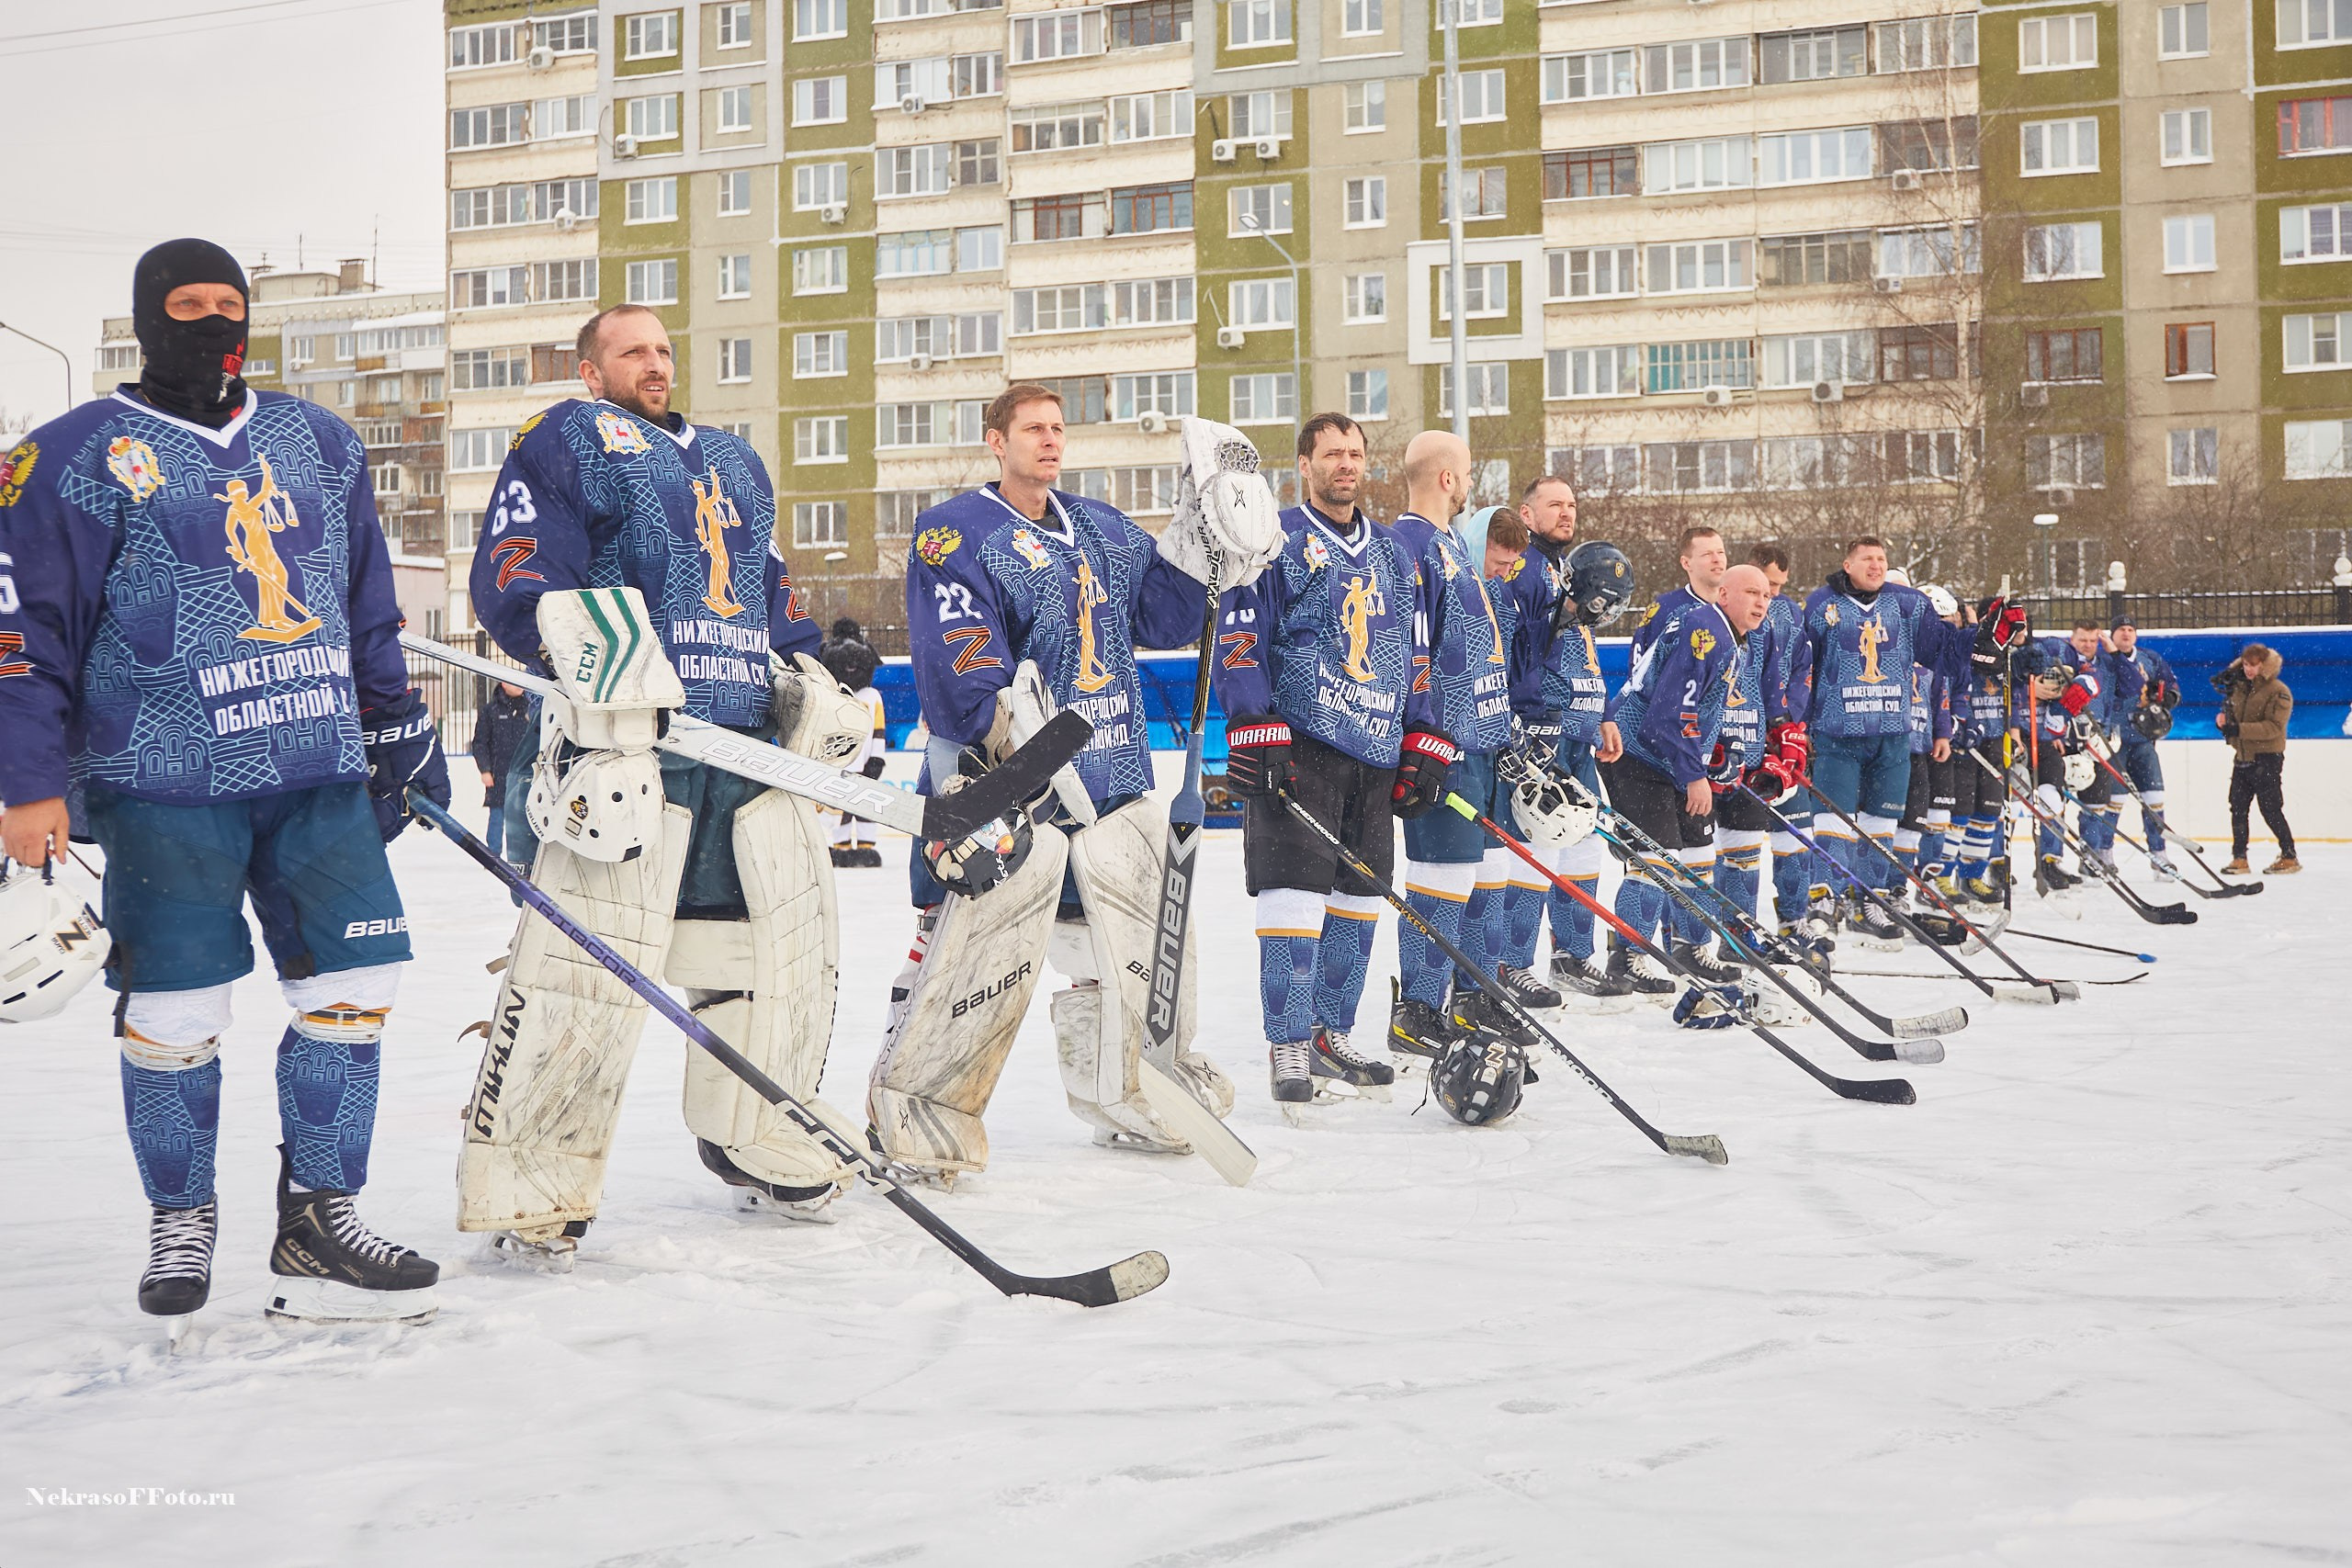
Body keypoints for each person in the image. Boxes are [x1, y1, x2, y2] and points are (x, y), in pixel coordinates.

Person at [0, 239, 448, 1324]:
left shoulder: (318, 440)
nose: (211, 323)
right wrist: (25, 783)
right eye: (187, 305)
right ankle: (182, 1217)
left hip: (315, 769)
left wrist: (394, 723)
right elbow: (25, 635)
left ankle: (320, 1215)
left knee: (356, 993)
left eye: (228, 305)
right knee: (175, 1010)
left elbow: (366, 601)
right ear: (148, 316)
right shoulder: (69, 454)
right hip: (160, 777)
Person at [461, 301, 875, 1262]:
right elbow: (516, 568)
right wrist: (577, 652)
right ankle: (535, 1176)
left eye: (661, 349)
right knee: (584, 969)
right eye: (630, 351)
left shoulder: (733, 460)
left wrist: (812, 667)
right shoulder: (570, 438)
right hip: (628, 748)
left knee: (759, 959)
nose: (653, 363)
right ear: (591, 371)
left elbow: (768, 590)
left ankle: (756, 1135)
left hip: (738, 750)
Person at [869, 392, 1280, 1180]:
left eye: (1059, 428)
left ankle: (1124, 1091)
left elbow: (1163, 618)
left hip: (1110, 773)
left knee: (1124, 946)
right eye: (1033, 429)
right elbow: (956, 654)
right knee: (967, 948)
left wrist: (1205, 549)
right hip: (1006, 783)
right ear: (997, 441)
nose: (1051, 440)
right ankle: (917, 1102)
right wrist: (999, 730)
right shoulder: (958, 531)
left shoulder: (1101, 526)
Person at [1216, 412, 1435, 1106]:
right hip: (1300, 743)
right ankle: (1287, 1038)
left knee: (1359, 898)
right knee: (1292, 891)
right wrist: (1255, 725)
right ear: (1304, 464)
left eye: (1356, 453)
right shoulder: (1274, 538)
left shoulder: (1398, 555)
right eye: (1333, 453)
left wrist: (1422, 739)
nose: (1347, 463)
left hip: (1374, 747)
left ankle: (1328, 1034)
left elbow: (1420, 651)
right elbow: (1241, 629)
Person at [1795, 537, 2015, 944]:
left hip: (1894, 735)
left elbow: (1944, 654)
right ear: (1848, 563)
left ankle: (1873, 900)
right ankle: (1824, 895)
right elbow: (1800, 665)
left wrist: (1985, 636)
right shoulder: (1821, 603)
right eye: (1867, 559)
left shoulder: (1909, 603)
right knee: (1835, 821)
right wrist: (1796, 722)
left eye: (1881, 558)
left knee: (1882, 824)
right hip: (1838, 731)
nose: (1876, 565)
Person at [1383, 431, 1514, 1061]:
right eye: (1465, 472)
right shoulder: (1409, 545)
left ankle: (1469, 995)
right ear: (1445, 479)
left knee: (1480, 874)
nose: (1470, 484)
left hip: (1479, 739)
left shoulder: (1451, 545)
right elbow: (1411, 651)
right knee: (1441, 875)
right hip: (1444, 744)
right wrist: (1423, 735)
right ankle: (1417, 1008)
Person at [1600, 566, 1774, 991]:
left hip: (1673, 759)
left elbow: (1698, 710)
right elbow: (1663, 718)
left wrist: (1714, 749)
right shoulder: (1706, 631)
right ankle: (1628, 955)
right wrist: (1695, 773)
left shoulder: (1736, 639)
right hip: (1636, 753)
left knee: (1699, 853)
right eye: (1751, 592)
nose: (1761, 602)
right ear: (1724, 595)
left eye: (1767, 596)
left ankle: (1689, 948)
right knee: (1657, 858)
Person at [1510, 477, 1632, 999]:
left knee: (1582, 849)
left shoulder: (1571, 570)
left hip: (1580, 732)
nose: (1566, 513)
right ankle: (1510, 963)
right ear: (1527, 513)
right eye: (1554, 504)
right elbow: (1518, 652)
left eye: (1572, 505)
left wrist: (1601, 713)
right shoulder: (1522, 570)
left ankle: (1573, 955)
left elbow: (1582, 645)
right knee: (1536, 849)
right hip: (1541, 732)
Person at [1747, 544, 1821, 942]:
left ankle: (1794, 918)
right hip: (1742, 737)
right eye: (1768, 583)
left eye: (1778, 585)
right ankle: (1734, 928)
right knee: (1736, 842)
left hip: (1781, 737)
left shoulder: (1790, 612)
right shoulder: (1728, 608)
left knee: (1796, 832)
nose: (1772, 593)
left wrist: (1789, 720)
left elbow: (1801, 669)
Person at [2219, 643, 2299, 874]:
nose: (2249, 670)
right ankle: (2239, 857)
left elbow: (2274, 727)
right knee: (2238, 807)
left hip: (2267, 758)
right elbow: (2234, 721)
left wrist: (2239, 730)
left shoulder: (2278, 690)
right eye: (2245, 664)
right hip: (2243, 756)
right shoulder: (2240, 689)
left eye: (2253, 665)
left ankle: (2289, 854)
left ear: (2263, 664)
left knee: (2270, 808)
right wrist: (2225, 726)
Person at [2110, 615, 2180, 879]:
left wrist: (2169, 696)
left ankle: (2159, 855)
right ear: (2113, 634)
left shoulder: (2150, 658)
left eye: (2130, 630)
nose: (2126, 634)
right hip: (2115, 740)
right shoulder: (2108, 660)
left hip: (2143, 739)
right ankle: (2104, 853)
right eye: (2121, 630)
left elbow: (2170, 684)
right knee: (2113, 800)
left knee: (2154, 797)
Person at [817, 617, 888, 868]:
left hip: (864, 764)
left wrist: (877, 758)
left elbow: (878, 731)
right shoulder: (831, 693)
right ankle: (842, 845)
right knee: (840, 809)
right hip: (839, 765)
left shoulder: (872, 697)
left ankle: (867, 846)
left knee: (865, 807)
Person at [469, 680, 535, 863]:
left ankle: (525, 857)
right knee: (497, 814)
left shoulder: (531, 709)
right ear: (503, 685)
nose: (520, 685)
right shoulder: (491, 711)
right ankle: (493, 856)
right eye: (513, 682)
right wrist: (485, 770)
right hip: (498, 773)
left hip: (526, 773)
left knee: (526, 815)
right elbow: (480, 742)